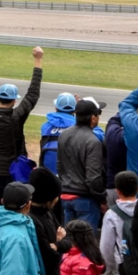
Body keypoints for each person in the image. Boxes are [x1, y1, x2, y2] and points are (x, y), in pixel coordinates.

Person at [0, 47, 44, 205]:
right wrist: (38, 60)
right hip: (15, 172)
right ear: (14, 101)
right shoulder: (16, 117)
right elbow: (33, 94)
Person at [28, 167, 71, 275]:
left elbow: (67, 241)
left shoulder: (48, 214)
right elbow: (49, 256)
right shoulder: (34, 221)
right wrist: (58, 245)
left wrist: (57, 244)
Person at [57, 99, 107, 234]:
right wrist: (102, 198)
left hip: (66, 195)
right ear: (93, 118)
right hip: (85, 199)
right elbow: (93, 177)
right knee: (86, 244)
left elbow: (60, 166)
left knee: (70, 242)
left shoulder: (64, 135)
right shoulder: (93, 141)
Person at [39, 92, 77, 174]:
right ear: (74, 110)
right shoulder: (79, 126)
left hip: (48, 175)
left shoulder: (45, 126)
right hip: (71, 176)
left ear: (56, 108)